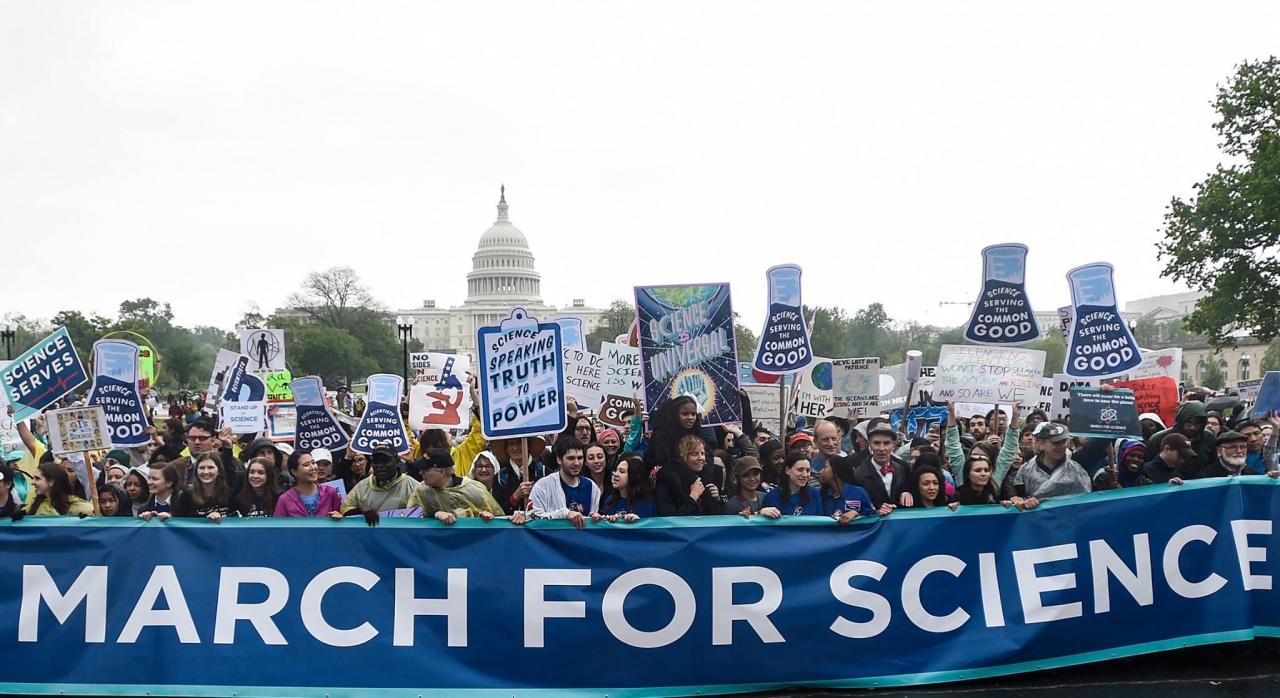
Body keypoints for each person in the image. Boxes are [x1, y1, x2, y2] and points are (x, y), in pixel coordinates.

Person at [407, 449, 518, 525]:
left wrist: (483, 517)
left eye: (426, 470)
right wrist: (435, 514)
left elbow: (499, 521)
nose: (421, 473)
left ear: (441, 471)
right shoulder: (421, 491)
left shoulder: (475, 490)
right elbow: (409, 520)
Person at [1012, 423, 1092, 510]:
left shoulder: (1076, 465)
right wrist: (1026, 501)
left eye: (1064, 442)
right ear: (1042, 443)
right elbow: (1019, 498)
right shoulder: (1026, 470)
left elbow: (1097, 446)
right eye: (1056, 443)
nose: (1061, 446)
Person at [530, 439, 600, 527]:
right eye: (571, 458)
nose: (577, 463)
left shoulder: (592, 487)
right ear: (559, 459)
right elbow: (531, 517)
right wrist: (564, 514)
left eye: (580, 458)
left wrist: (595, 518)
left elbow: (594, 522)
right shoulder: (543, 486)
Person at [342, 447, 418, 523]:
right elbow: (345, 510)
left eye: (385, 461)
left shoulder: (411, 485)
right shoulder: (362, 486)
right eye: (376, 462)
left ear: (397, 462)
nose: (380, 466)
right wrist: (360, 510)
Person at [653, 434, 724, 517]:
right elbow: (670, 520)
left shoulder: (705, 478)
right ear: (682, 456)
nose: (701, 458)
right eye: (695, 454)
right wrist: (693, 497)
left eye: (702, 453)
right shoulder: (668, 483)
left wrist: (718, 499)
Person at [1145, 401, 1216, 479]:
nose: (1192, 427)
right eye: (1189, 422)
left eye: (1197, 423)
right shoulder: (1157, 439)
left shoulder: (1208, 437)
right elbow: (1149, 470)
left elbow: (1212, 466)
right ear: (1181, 420)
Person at [851, 425, 912, 513]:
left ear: (893, 446)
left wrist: (907, 493)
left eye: (886, 443)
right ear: (870, 445)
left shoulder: (900, 468)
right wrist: (876, 511)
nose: (882, 448)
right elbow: (855, 506)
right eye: (876, 443)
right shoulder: (858, 474)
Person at [275, 451, 344, 519]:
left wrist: (339, 517)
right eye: (306, 465)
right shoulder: (284, 499)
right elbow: (278, 527)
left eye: (313, 463)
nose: (313, 468)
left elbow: (341, 518)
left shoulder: (330, 492)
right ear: (294, 472)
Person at [491, 436, 547, 515]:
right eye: (511, 444)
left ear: (529, 446)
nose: (515, 448)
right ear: (506, 449)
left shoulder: (544, 473)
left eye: (520, 443)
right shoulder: (499, 478)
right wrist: (515, 497)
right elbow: (497, 512)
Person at [175, 452, 239, 522]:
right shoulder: (186, 495)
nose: (206, 472)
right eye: (202, 468)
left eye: (210, 467)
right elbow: (179, 522)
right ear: (196, 471)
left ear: (219, 471)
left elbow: (238, 520)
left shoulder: (230, 494)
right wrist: (167, 519)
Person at [596, 454, 655, 521]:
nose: (616, 474)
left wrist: (639, 523)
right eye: (616, 470)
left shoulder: (650, 504)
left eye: (622, 471)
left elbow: (656, 528)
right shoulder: (609, 501)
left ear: (633, 476)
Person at [760, 453, 822, 518]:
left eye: (808, 470)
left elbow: (820, 522)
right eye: (800, 470)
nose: (805, 475)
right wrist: (762, 513)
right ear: (787, 470)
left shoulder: (814, 494)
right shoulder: (772, 497)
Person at [818, 456, 876, 524]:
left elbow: (873, 518)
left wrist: (856, 514)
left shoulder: (859, 493)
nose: (820, 471)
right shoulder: (822, 495)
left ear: (836, 470)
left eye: (825, 467)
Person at [26, 462, 94, 517]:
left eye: (37, 478)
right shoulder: (35, 504)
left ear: (51, 482)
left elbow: (94, 512)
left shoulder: (74, 505)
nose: (32, 482)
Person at [1199, 430, 1264, 478]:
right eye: (1233, 447)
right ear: (1220, 451)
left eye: (1242, 447)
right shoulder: (1206, 475)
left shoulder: (1254, 474)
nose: (1239, 451)